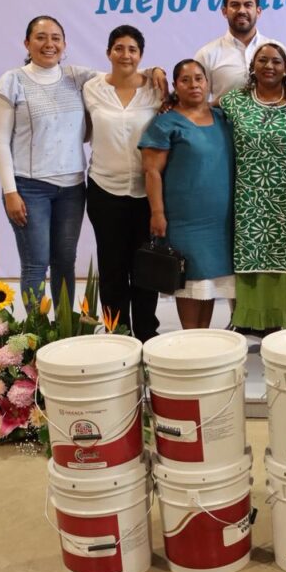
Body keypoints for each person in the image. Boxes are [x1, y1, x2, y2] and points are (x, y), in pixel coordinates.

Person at [0, 15, 165, 311]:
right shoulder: (12, 80)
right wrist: (10, 190)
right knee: (36, 263)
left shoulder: (76, 76)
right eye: (41, 37)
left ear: (64, 43)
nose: (49, 44)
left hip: (72, 187)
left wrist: (155, 70)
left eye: (55, 38)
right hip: (30, 187)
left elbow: (122, 72)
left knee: (64, 261)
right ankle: (37, 330)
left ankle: (64, 328)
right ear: (27, 43)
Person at [220, 43, 286, 331]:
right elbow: (199, 113)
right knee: (253, 255)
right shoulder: (233, 101)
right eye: (263, 60)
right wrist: (168, 102)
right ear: (252, 66)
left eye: (276, 61)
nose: (269, 66)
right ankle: (256, 322)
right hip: (250, 195)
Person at [139, 60, 235, 329]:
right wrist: (157, 213)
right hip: (185, 220)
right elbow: (151, 172)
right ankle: (191, 341)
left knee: (208, 283)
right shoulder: (165, 123)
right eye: (185, 80)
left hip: (221, 221)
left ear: (207, 83)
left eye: (199, 79)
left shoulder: (223, 118)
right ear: (175, 86)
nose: (194, 85)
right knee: (190, 281)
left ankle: (203, 340)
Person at [83, 25, 162, 340]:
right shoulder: (92, 88)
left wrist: (156, 71)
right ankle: (117, 335)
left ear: (141, 55)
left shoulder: (155, 89)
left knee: (146, 268)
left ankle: (146, 333)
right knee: (112, 269)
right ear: (108, 53)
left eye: (132, 49)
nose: (125, 55)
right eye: (119, 48)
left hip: (147, 194)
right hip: (104, 190)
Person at [194, 0, 286, 103]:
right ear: (224, 11)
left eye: (248, 5)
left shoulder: (280, 51)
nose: (241, 10)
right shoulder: (207, 54)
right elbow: (197, 106)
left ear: (258, 11)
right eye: (235, 5)